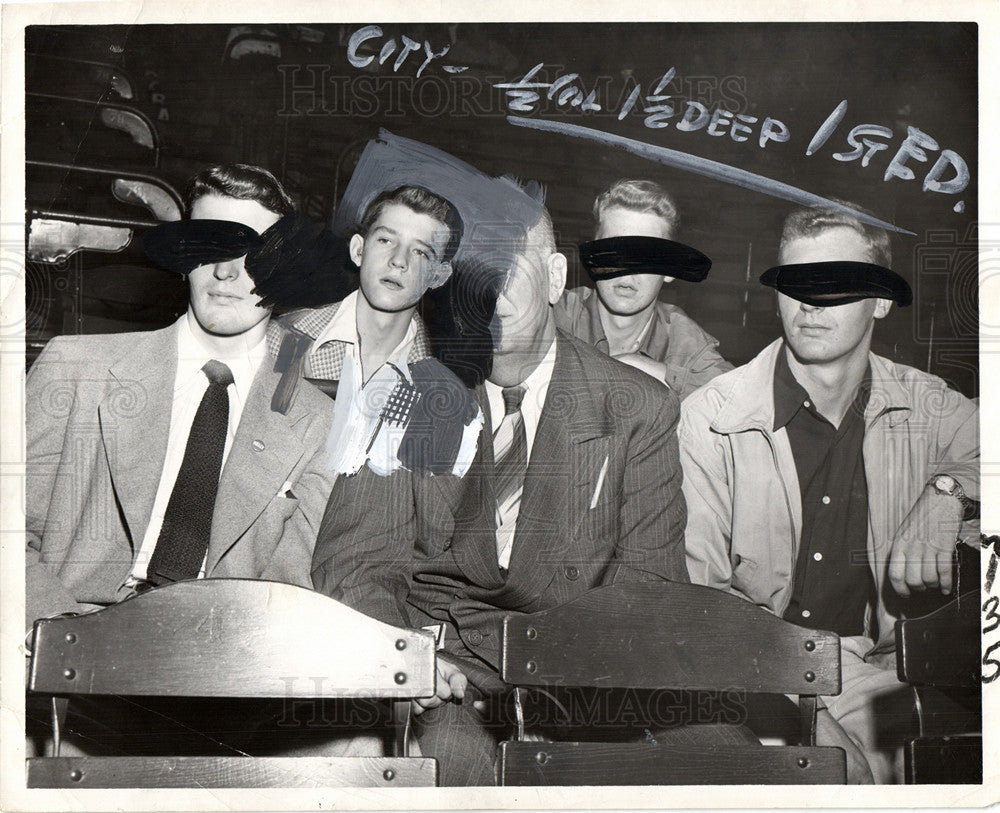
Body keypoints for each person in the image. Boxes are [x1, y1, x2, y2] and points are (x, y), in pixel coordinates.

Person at [313, 200, 694, 785]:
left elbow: (647, 588)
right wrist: (410, 659)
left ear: (557, 279)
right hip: (446, 674)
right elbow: (359, 564)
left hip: (578, 674)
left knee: (726, 755)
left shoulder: (637, 406)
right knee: (455, 764)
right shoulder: (406, 392)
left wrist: (563, 692)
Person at [25, 164, 339, 753]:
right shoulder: (77, 368)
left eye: (254, 251)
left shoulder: (317, 424)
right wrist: (64, 644)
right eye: (209, 245)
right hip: (67, 657)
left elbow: (291, 589)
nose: (227, 271)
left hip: (218, 680)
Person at [678, 201, 980, 782]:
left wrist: (948, 493)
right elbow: (700, 600)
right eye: (797, 281)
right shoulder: (711, 418)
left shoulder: (928, 403)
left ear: (883, 300)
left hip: (881, 670)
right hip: (751, 674)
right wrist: (807, 719)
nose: (811, 302)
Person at [265, 184, 481, 479]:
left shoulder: (440, 394)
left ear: (438, 276)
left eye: (420, 251)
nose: (399, 261)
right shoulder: (282, 342)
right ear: (358, 249)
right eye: (385, 240)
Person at [554, 179, 732, 397]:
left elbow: (736, 397)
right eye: (613, 249)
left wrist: (646, 370)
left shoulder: (684, 340)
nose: (627, 268)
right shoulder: (555, 314)